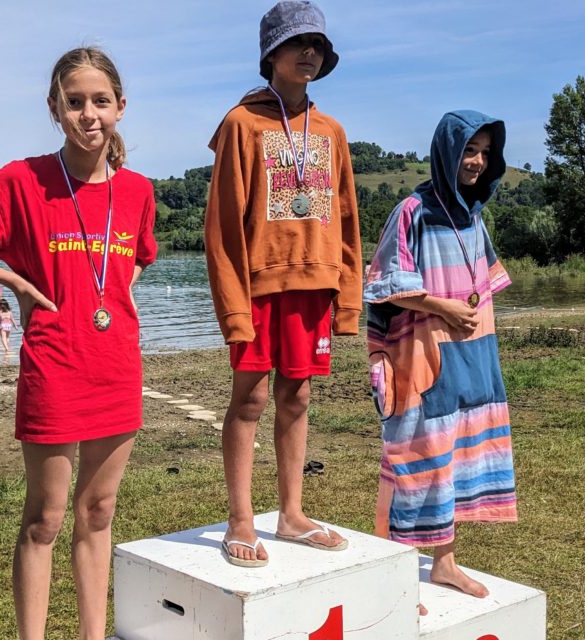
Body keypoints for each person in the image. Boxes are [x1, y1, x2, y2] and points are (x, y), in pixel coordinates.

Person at [0, 46, 157, 639]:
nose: (88, 114)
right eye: (74, 102)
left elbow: (139, 260)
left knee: (98, 514)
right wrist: (15, 280)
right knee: (44, 519)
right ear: (55, 108)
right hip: (53, 365)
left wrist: (112, 299)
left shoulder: (139, 192)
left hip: (116, 365)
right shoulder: (22, 181)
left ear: (121, 107)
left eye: (100, 101)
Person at [203, 0, 362, 567]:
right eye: (300, 44)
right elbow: (221, 229)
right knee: (249, 401)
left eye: (317, 45)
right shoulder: (241, 124)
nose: (310, 54)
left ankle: (291, 514)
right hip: (256, 289)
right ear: (272, 54)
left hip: (315, 287)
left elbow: (346, 219)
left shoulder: (333, 132)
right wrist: (233, 308)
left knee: (298, 397)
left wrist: (348, 300)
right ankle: (241, 518)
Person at [364, 111, 519, 603]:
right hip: (422, 358)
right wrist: (442, 306)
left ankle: (444, 565)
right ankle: (389, 576)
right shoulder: (411, 211)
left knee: (451, 461)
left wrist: (471, 321)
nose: (476, 161)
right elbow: (383, 285)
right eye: (469, 150)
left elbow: (482, 282)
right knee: (413, 459)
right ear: (447, 151)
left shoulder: (474, 214)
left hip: (470, 356)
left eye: (485, 152)